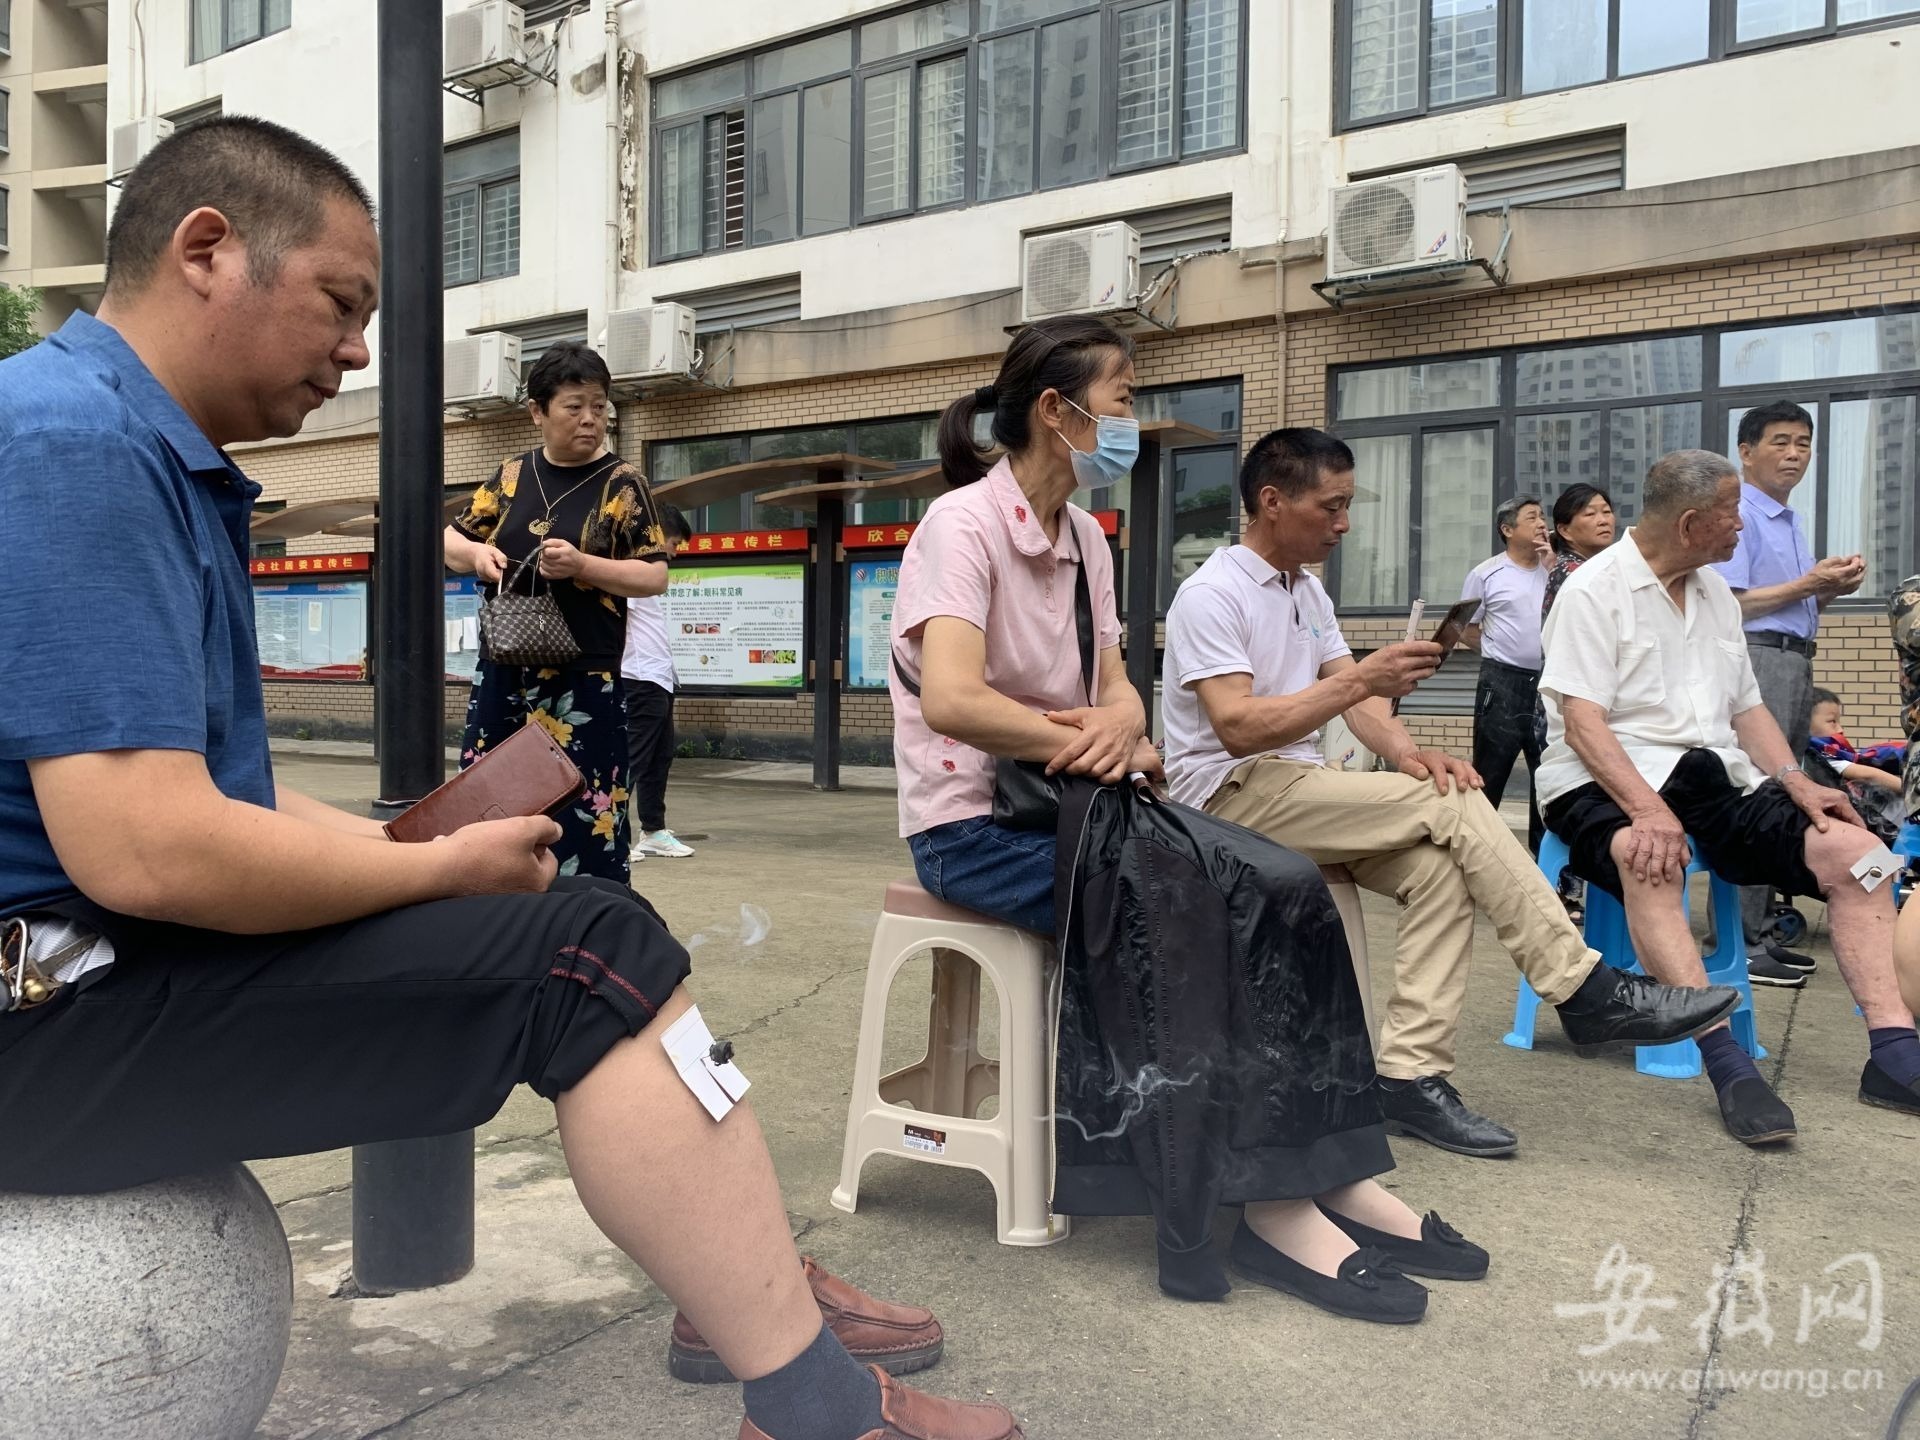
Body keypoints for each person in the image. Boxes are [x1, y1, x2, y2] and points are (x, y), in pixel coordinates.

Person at [0, 118, 1017, 1440]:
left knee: (600, 925)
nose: (357, 353)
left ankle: (742, 1273)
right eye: (341, 305)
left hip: (88, 972)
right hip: (49, 1016)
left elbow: (213, 798)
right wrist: (427, 872)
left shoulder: (124, 441)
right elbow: (146, 847)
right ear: (207, 251)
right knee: (590, 959)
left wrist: (416, 854)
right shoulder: (76, 445)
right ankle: (810, 1398)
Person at [893, 317, 1477, 1324]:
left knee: (1284, 884)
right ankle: (1268, 1206)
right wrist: (1088, 734)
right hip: (980, 830)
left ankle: (1332, 1170)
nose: (1132, 418)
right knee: (1210, 908)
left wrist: (1119, 723)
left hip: (1083, 807)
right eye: (1121, 398)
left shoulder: (1085, 538)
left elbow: (1119, 687)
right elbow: (951, 697)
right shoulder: (964, 526)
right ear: (1057, 410)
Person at [1160, 428, 1737, 1159]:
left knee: (1440, 869)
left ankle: (1411, 1076)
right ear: (1272, 501)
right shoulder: (1212, 593)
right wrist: (1360, 681)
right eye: (1330, 507)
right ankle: (1582, 989)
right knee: (1455, 804)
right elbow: (1238, 727)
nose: (1344, 524)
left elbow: (1357, 704)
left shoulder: (1305, 589)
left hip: (1299, 788)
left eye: (1348, 505)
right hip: (1226, 795)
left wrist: (1409, 753)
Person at [1538, 449, 1920, 1145]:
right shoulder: (1594, 589)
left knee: (1862, 854)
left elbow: (1747, 710)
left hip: (1713, 776)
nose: (1741, 528)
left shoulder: (1714, 592)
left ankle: (1894, 1053)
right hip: (1602, 777)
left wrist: (1798, 780)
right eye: (1731, 515)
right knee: (1652, 858)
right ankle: (1727, 1063)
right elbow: (1583, 722)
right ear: (1689, 524)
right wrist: (1647, 810)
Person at [445, 341, 666, 886]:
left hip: (585, 677)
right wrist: (478, 556)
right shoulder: (512, 476)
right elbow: (450, 540)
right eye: (574, 406)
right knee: (489, 800)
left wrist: (583, 565)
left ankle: (587, 913)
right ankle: (495, 907)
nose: (590, 418)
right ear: (537, 411)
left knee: (586, 809)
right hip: (504, 669)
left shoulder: (623, 484)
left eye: (599, 406)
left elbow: (653, 575)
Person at [1711, 401, 1867, 988]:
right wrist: (1808, 584)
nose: (1794, 454)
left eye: (1803, 443)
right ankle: (1738, 942)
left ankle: (1757, 934)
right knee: (1758, 790)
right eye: (1780, 442)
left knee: (1784, 791)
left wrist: (1826, 590)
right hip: (1759, 660)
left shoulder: (1788, 519)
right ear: (1746, 452)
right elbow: (1731, 605)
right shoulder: (1741, 517)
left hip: (1795, 660)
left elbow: (1792, 600)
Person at [1459, 495, 1551, 855]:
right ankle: (1476, 854)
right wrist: (1499, 653)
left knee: (1547, 774)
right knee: (1490, 772)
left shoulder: (1555, 570)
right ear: (1508, 529)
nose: (1541, 523)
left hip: (1548, 684)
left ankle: (1545, 865)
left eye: (1542, 516)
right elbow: (1465, 628)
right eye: (1532, 517)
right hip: (1501, 684)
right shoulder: (1486, 574)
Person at [624, 504, 698, 863]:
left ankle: (653, 832)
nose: (675, 551)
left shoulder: (648, 579)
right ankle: (611, 837)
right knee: (631, 759)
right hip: (636, 679)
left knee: (659, 759)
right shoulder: (629, 573)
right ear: (654, 536)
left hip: (658, 679)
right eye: (673, 542)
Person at [1541, 483, 1616, 622]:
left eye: (1606, 512)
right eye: (1590, 514)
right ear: (1565, 530)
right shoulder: (1573, 573)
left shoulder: (1596, 565)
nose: (1603, 521)